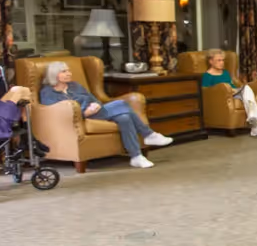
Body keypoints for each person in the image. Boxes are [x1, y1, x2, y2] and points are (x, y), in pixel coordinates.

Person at [39, 61, 173, 168]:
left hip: (96, 112)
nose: (69, 73)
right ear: (54, 74)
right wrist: (84, 113)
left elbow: (93, 98)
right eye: (64, 71)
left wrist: (96, 105)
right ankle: (148, 134)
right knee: (121, 104)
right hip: (79, 118)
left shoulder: (75, 86)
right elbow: (58, 112)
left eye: (68, 70)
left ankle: (136, 156)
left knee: (124, 117)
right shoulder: (47, 93)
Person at [201, 49, 257, 138]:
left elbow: (233, 84)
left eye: (222, 60)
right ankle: (255, 126)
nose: (222, 63)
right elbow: (206, 91)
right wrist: (227, 90)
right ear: (211, 61)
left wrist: (236, 89)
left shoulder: (225, 72)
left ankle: (255, 125)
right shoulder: (207, 76)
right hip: (224, 98)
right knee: (247, 92)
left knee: (247, 89)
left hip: (236, 93)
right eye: (219, 60)